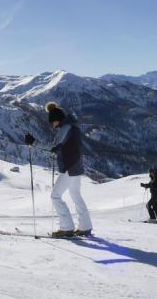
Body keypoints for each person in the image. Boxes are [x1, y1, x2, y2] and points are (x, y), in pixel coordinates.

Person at [25, 102, 93, 238]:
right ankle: (85, 226)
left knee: (55, 195)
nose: (53, 125)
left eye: (53, 122)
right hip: (76, 165)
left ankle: (66, 228)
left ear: (57, 119)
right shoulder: (72, 126)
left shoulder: (66, 127)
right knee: (75, 195)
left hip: (70, 166)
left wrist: (34, 142)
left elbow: (54, 146)